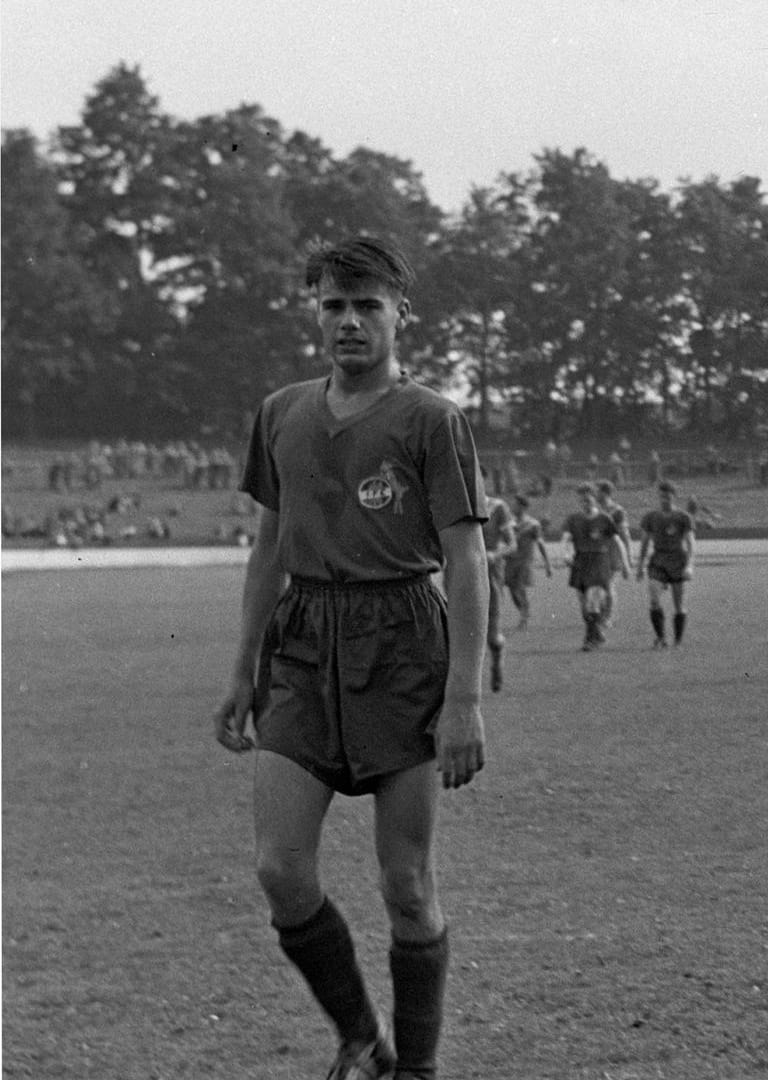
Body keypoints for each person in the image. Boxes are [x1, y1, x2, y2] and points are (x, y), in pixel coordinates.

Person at [212, 236, 488, 1080]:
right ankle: (363, 1038)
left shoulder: (431, 418)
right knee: (279, 869)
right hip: (303, 645)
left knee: (406, 884)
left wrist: (465, 700)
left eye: (368, 305)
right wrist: (242, 667)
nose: (349, 322)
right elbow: (268, 546)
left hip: (402, 646)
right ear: (315, 313)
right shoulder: (281, 412)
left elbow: (467, 559)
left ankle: (418, 1071)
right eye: (333, 305)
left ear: (402, 315)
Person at [636, 480, 696, 648]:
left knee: (679, 604)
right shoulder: (651, 517)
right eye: (662, 496)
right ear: (658, 497)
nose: (665, 500)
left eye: (668, 496)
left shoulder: (683, 518)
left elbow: (691, 544)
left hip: (678, 561)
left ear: (674, 497)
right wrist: (640, 565)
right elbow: (644, 543)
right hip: (658, 562)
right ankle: (661, 637)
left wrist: (689, 566)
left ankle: (677, 641)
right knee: (654, 599)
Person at [561, 483, 620, 651]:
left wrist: (625, 563)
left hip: (599, 561)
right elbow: (566, 537)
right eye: (582, 500)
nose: (585, 503)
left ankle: (589, 641)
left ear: (594, 499)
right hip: (580, 562)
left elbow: (616, 540)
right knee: (584, 605)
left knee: (592, 601)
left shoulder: (604, 519)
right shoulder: (573, 519)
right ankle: (598, 633)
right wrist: (566, 553)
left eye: (588, 499)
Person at [502, 494, 553, 629]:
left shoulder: (533, 524)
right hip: (510, 561)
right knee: (513, 591)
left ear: (522, 507)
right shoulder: (509, 523)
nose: (512, 507)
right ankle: (524, 611)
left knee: (519, 588)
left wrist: (547, 564)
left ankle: (524, 616)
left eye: (515, 505)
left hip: (525, 561)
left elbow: (540, 543)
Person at [481, 492, 513, 691]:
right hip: (460, 573)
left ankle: (497, 657)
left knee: (492, 638)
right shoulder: (453, 503)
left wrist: (493, 554)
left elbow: (512, 544)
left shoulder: (497, 507)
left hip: (490, 574)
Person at [593, 479, 634, 630]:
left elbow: (625, 535)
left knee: (608, 585)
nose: (595, 494)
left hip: (612, 553)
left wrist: (628, 559)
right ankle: (603, 614)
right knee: (598, 587)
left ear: (605, 493)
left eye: (597, 491)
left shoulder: (617, 511)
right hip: (597, 553)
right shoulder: (595, 510)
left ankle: (608, 617)